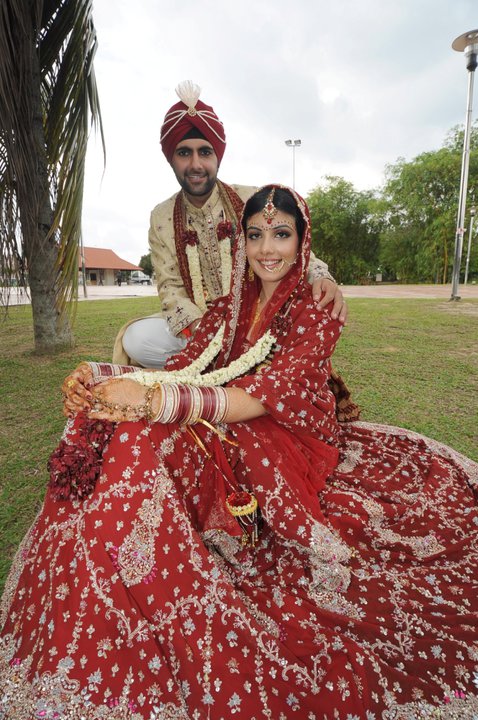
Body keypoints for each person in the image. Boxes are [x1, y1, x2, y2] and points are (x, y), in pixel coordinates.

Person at [1, 185, 477, 720]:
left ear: (302, 242)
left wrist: (160, 404)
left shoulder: (318, 308)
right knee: (117, 424)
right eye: (255, 235)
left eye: (281, 234)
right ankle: (115, 553)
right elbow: (185, 365)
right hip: (224, 410)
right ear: (243, 241)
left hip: (285, 431)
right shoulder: (232, 305)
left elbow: (265, 397)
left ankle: (135, 547)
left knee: (154, 429)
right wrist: (103, 375)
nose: (267, 249)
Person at [112, 81, 347, 368]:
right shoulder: (161, 217)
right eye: (184, 152)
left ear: (217, 157)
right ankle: (221, 364)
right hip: (200, 329)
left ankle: (233, 364)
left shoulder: (250, 198)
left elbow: (292, 252)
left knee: (306, 319)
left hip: (256, 321)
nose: (196, 164)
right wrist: (204, 332)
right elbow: (170, 287)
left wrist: (322, 277)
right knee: (136, 339)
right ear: (171, 158)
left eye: (205, 152)